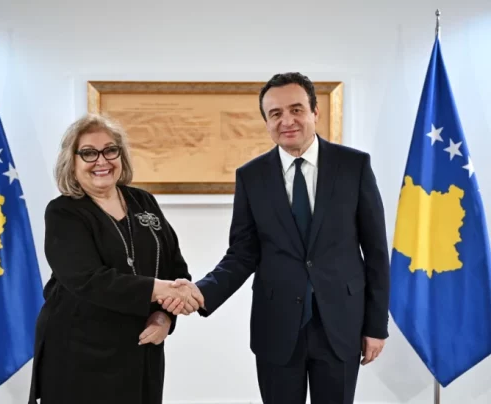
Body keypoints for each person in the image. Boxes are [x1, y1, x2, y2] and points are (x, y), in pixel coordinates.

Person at [162, 72, 390, 404]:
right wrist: (201, 291)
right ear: (267, 122)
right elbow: (242, 254)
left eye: (296, 110)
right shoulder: (251, 176)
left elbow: (376, 252)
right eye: (276, 113)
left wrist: (376, 326)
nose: (287, 121)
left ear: (315, 112)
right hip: (277, 327)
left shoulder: (354, 166)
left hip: (341, 324)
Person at [28, 114, 203, 404]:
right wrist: (162, 289)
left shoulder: (143, 201)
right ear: (72, 161)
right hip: (79, 351)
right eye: (89, 153)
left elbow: (174, 267)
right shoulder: (63, 212)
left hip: (141, 347)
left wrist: (164, 317)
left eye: (110, 150)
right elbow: (87, 279)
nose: (102, 161)